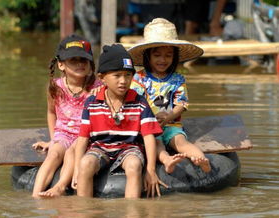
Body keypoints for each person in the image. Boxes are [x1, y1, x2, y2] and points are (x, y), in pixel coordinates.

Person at [73, 44, 166, 198]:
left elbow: (149, 138)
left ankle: (132, 211)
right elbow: (82, 138)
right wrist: (77, 169)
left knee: (134, 165)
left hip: (129, 148)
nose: (123, 81)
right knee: (85, 164)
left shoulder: (139, 102)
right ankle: (84, 211)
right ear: (102, 78)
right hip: (100, 147)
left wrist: (150, 170)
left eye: (128, 75)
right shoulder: (92, 103)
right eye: (117, 75)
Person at [129, 18, 211, 173]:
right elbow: (135, 103)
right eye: (157, 55)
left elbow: (182, 104)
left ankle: (201, 159)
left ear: (174, 57)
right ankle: (167, 161)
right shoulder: (139, 78)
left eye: (168, 55)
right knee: (157, 142)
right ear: (148, 56)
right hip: (149, 126)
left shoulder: (178, 79)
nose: (162, 60)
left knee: (181, 142)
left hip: (171, 123)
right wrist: (151, 120)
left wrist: (168, 116)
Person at [31, 34, 97, 198]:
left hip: (86, 134)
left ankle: (60, 186)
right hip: (63, 133)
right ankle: (35, 196)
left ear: (90, 64)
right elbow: (51, 112)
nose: (80, 64)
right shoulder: (56, 87)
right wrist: (53, 140)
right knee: (54, 153)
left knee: (71, 153)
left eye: (84, 60)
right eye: (73, 60)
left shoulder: (97, 87)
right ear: (61, 64)